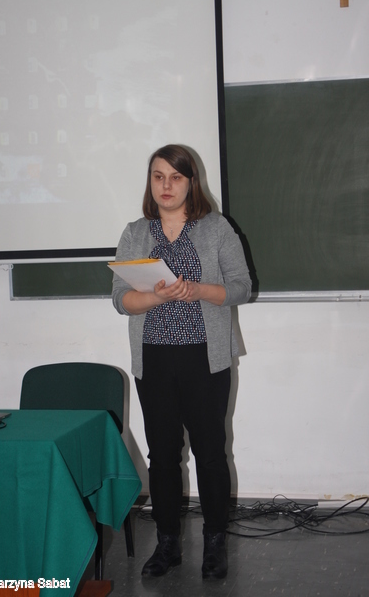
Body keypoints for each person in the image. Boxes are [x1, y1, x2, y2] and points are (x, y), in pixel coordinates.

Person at [112, 144, 251, 580]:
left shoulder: (216, 228)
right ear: (150, 182)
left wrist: (197, 290)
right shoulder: (136, 232)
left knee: (210, 453)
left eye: (176, 177)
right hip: (154, 357)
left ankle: (214, 543)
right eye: (158, 177)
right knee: (162, 455)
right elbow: (120, 300)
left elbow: (242, 287)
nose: (166, 186)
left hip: (205, 358)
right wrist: (156, 297)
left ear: (192, 182)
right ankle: (168, 543)